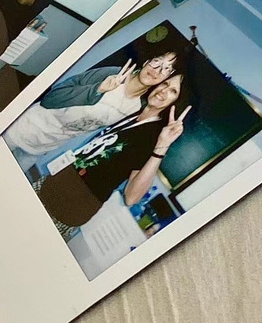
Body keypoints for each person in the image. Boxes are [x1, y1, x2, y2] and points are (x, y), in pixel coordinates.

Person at [35, 75, 190, 233]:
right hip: (54, 182)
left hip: (71, 206)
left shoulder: (154, 137)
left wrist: (163, 146)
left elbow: (131, 198)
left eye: (173, 91)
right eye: (165, 83)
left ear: (175, 103)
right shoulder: (134, 112)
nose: (163, 91)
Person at [5, 50, 184, 154]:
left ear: (165, 79)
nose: (157, 70)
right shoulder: (113, 74)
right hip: (23, 130)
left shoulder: (137, 107)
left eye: (166, 69)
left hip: (42, 149)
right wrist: (97, 90)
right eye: (157, 62)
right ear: (146, 62)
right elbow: (51, 99)